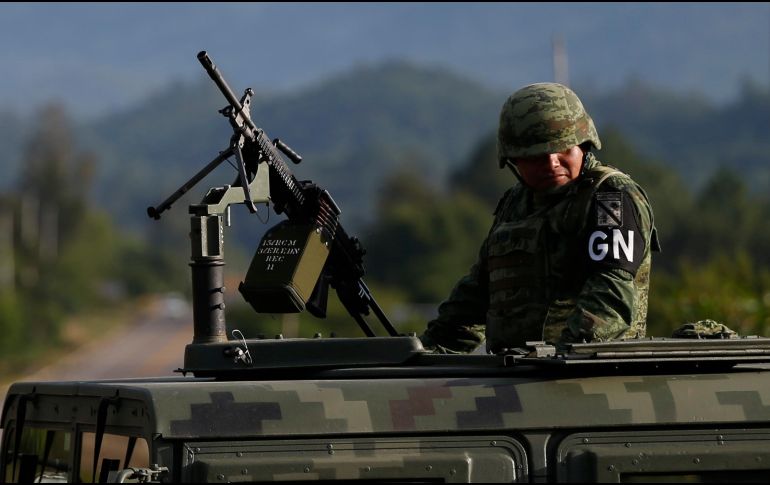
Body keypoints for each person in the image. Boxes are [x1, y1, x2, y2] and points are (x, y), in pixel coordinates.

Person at [420, 82, 660, 354]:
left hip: (587, 374)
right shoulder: (516, 203)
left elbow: (611, 295)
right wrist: (426, 350)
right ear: (513, 160)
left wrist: (560, 355)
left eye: (563, 150)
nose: (551, 163)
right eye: (536, 157)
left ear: (583, 144)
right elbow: (479, 293)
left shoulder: (609, 197)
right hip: (515, 376)